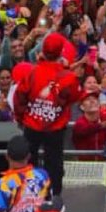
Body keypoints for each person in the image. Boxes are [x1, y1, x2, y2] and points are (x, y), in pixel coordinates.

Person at [11, 33, 81, 196]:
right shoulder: (69, 77)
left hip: (31, 125)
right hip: (55, 129)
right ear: (60, 52)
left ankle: (29, 195)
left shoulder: (32, 72)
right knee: (54, 164)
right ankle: (54, 197)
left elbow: (19, 97)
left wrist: (21, 118)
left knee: (29, 162)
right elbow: (75, 96)